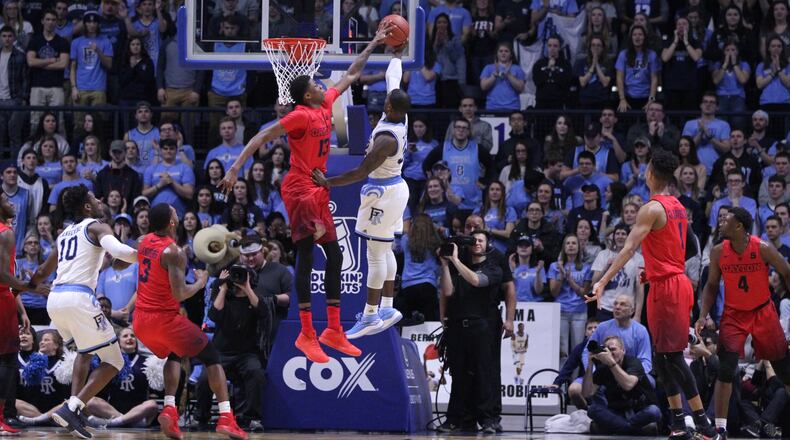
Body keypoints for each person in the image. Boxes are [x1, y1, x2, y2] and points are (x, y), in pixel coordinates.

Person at [220, 26, 395, 363]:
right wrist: (234, 168)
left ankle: (332, 329)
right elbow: (260, 139)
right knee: (307, 255)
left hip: (316, 186)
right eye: (315, 85)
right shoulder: (299, 115)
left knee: (338, 257)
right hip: (299, 189)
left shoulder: (326, 103)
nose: (321, 85)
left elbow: (353, 73)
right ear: (306, 96)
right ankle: (306, 333)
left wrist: (373, 43)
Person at [588, 148, 721, 439]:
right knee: (661, 359)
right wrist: (656, 271)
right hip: (670, 282)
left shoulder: (651, 208)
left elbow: (628, 249)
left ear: (650, 173)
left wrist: (603, 282)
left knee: (672, 358)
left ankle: (702, 423)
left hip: (669, 288)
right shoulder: (677, 206)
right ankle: (676, 423)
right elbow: (677, 247)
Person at [27, 184, 138, 439]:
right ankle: (72, 407)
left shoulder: (65, 233)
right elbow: (120, 252)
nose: (100, 199)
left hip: (55, 301)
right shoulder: (97, 226)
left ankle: (73, 413)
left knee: (85, 353)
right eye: (94, 198)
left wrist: (25, 287)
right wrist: (148, 254)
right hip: (79, 298)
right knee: (114, 361)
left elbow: (43, 272)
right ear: (88, 207)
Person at [311, 55, 410, 339]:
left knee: (374, 255)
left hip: (384, 192)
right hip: (395, 188)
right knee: (386, 250)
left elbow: (359, 172)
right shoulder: (399, 115)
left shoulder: (385, 140)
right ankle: (388, 307)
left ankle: (370, 315)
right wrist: (396, 56)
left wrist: (327, 182)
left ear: (389, 106)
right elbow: (394, 78)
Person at [131, 204, 245, 439]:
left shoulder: (143, 241)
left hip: (140, 321)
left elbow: (135, 261)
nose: (177, 214)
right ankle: (226, 417)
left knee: (175, 352)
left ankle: (170, 409)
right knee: (211, 356)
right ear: (172, 222)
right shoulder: (173, 252)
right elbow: (180, 294)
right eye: (175, 212)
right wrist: (202, 282)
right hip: (163, 319)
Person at [695, 207, 790, 438]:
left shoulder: (762, 248)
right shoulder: (718, 252)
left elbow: (786, 271)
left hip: (763, 312)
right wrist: (702, 314)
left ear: (738, 226)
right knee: (726, 370)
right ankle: (720, 429)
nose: (722, 222)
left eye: (726, 220)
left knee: (784, 370)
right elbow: (711, 286)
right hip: (734, 315)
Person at [438, 229, 502, 434]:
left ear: (487, 245)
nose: (476, 243)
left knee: (484, 373)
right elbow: (447, 292)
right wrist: (446, 265)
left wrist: (456, 261)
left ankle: (488, 419)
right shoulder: (457, 267)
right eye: (473, 240)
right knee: (458, 374)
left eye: (480, 240)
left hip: (482, 326)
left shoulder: (493, 267)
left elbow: (476, 281)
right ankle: (455, 418)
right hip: (458, 325)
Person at [0, 191, 38, 435]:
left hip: (7, 297)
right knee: (6, 360)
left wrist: (20, 307)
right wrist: (31, 287)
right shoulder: (6, 232)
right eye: (5, 199)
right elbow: (3, 276)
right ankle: (2, 418)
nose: (10, 202)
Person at [582, 335, 661, 435]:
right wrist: (590, 365)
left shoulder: (634, 363)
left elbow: (628, 385)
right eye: (607, 350)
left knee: (654, 411)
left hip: (639, 411)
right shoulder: (603, 369)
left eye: (613, 349)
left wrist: (611, 363)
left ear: (623, 350)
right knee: (592, 410)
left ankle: (618, 428)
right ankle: (631, 430)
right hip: (616, 412)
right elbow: (587, 393)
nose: (610, 353)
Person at [590, 224, 644, 321]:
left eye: (623, 234)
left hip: (627, 308)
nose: (620, 236)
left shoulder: (639, 259)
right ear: (613, 237)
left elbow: (640, 288)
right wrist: (606, 268)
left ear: (629, 237)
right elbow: (594, 283)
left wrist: (638, 315)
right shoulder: (603, 255)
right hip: (605, 307)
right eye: (617, 233)